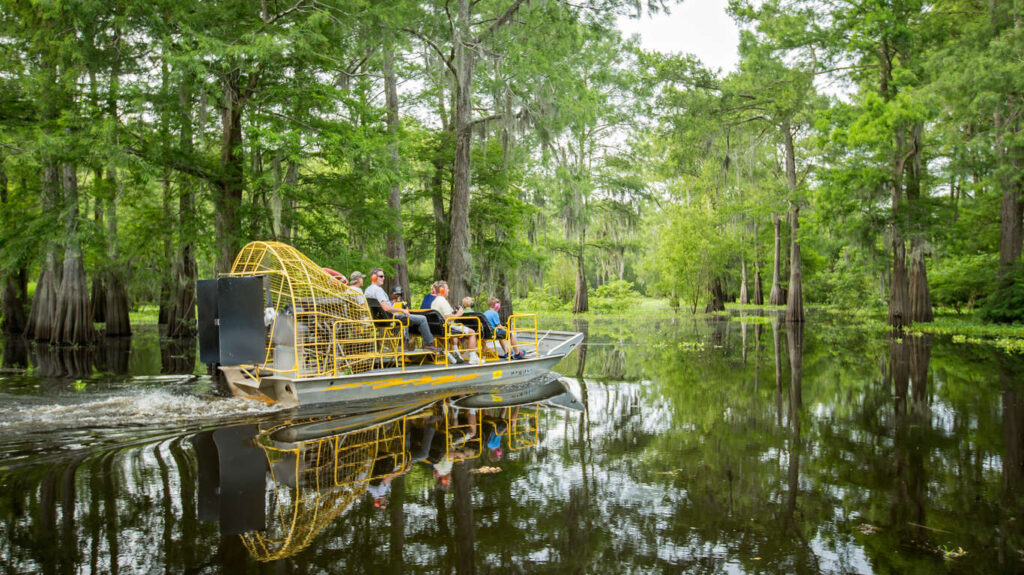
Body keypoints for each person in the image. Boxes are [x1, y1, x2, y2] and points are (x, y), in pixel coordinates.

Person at [364, 267, 442, 353]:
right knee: (422, 319)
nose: (384, 278)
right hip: (390, 318)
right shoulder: (377, 290)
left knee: (409, 318)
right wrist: (402, 310)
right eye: (381, 276)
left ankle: (406, 344)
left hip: (379, 320)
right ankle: (428, 345)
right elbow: (386, 307)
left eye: (383, 276)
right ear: (374, 277)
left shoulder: (368, 290)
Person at [431, 281, 480, 364]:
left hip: (438, 328)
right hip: (448, 327)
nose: (449, 290)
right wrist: (459, 314)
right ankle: (473, 358)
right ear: (442, 290)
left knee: (463, 333)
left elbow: (444, 315)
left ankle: (457, 352)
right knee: (472, 332)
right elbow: (448, 318)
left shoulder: (434, 302)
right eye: (447, 288)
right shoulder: (443, 301)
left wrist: (454, 312)